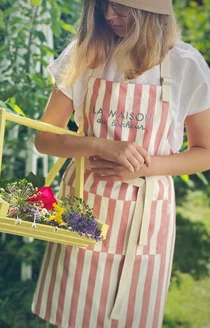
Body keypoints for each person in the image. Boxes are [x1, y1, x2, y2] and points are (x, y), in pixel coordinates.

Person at [31, 0, 210, 327]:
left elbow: (205, 150)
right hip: (83, 206)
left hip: (146, 218)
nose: (108, 15)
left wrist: (147, 166)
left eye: (120, 7)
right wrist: (101, 146)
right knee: (70, 315)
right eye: (102, 5)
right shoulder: (85, 54)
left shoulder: (185, 65)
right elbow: (44, 139)